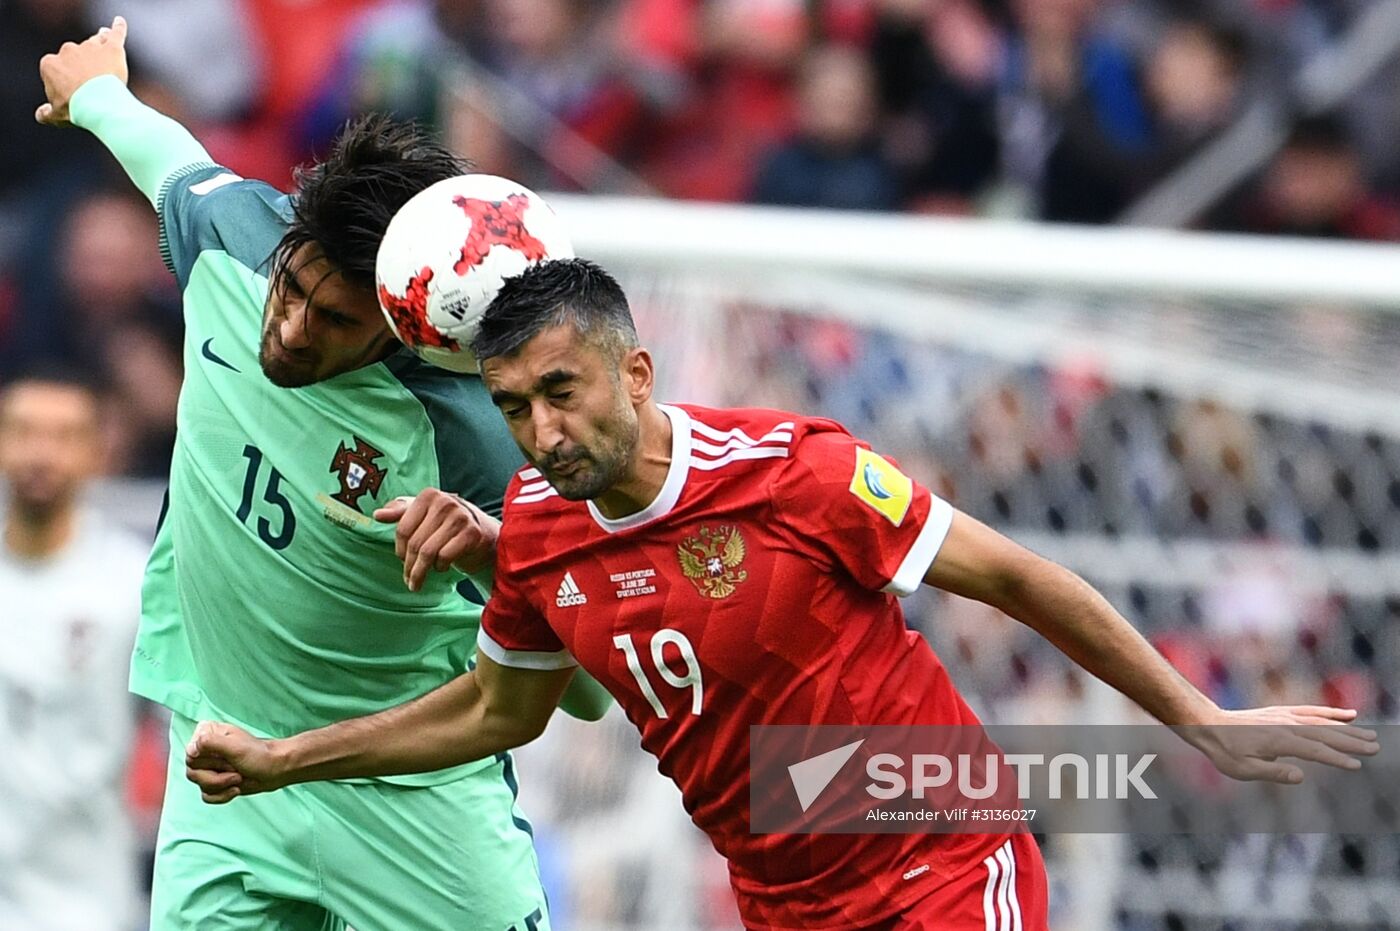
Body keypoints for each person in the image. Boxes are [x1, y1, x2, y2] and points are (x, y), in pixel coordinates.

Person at [186, 258, 1378, 931]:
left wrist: (1198, 719)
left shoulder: (794, 473)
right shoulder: (541, 536)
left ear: (634, 372)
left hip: (940, 855)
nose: (541, 431)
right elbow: (494, 714)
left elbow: (1015, 574)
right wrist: (287, 759)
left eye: (562, 391)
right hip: (779, 901)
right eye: (512, 408)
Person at [36, 18, 610, 931]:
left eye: (337, 321)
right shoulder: (231, 237)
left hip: (412, 801)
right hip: (225, 774)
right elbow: (167, 154)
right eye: (292, 289)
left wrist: (499, 556)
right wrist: (98, 90)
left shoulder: (477, 439)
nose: (295, 329)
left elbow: (584, 687)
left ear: (406, 325)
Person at [0, 370, 147, 931]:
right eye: (24, 431)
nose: (41, 453)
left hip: (89, 903)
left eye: (63, 436)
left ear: (95, 452)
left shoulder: (130, 585)